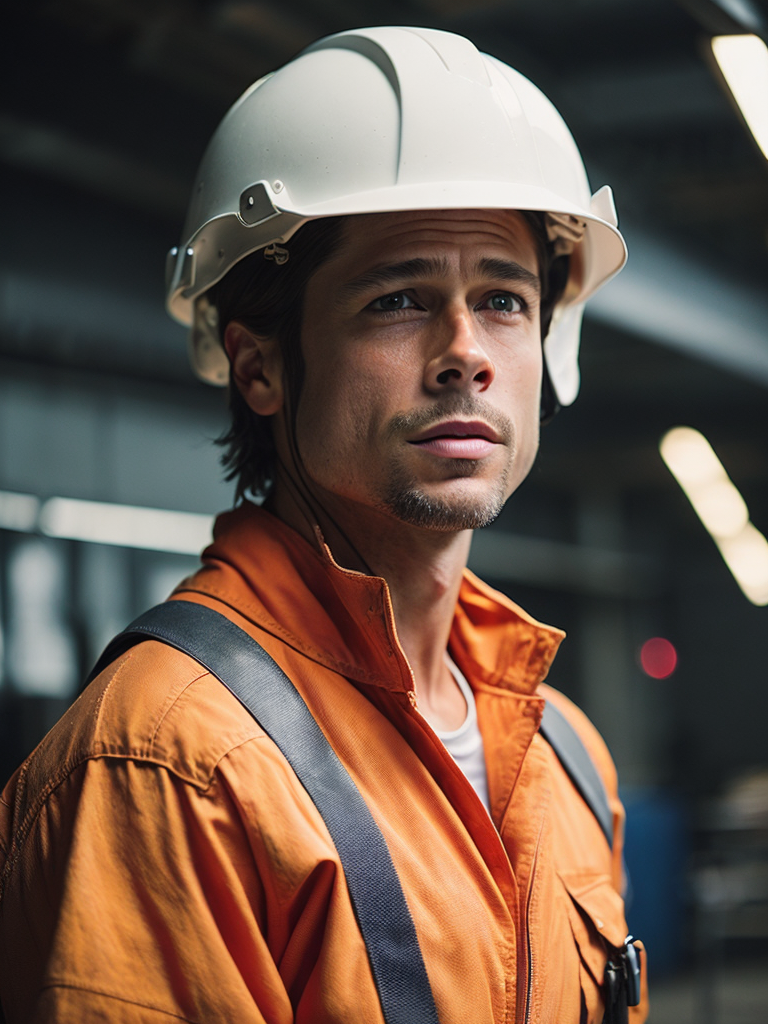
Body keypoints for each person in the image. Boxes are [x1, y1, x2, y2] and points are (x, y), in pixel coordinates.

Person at [0, 25, 648, 1024]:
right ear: (258, 364)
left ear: (548, 350)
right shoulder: (170, 766)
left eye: (505, 299)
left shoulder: (566, 754)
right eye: (399, 299)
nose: (466, 352)